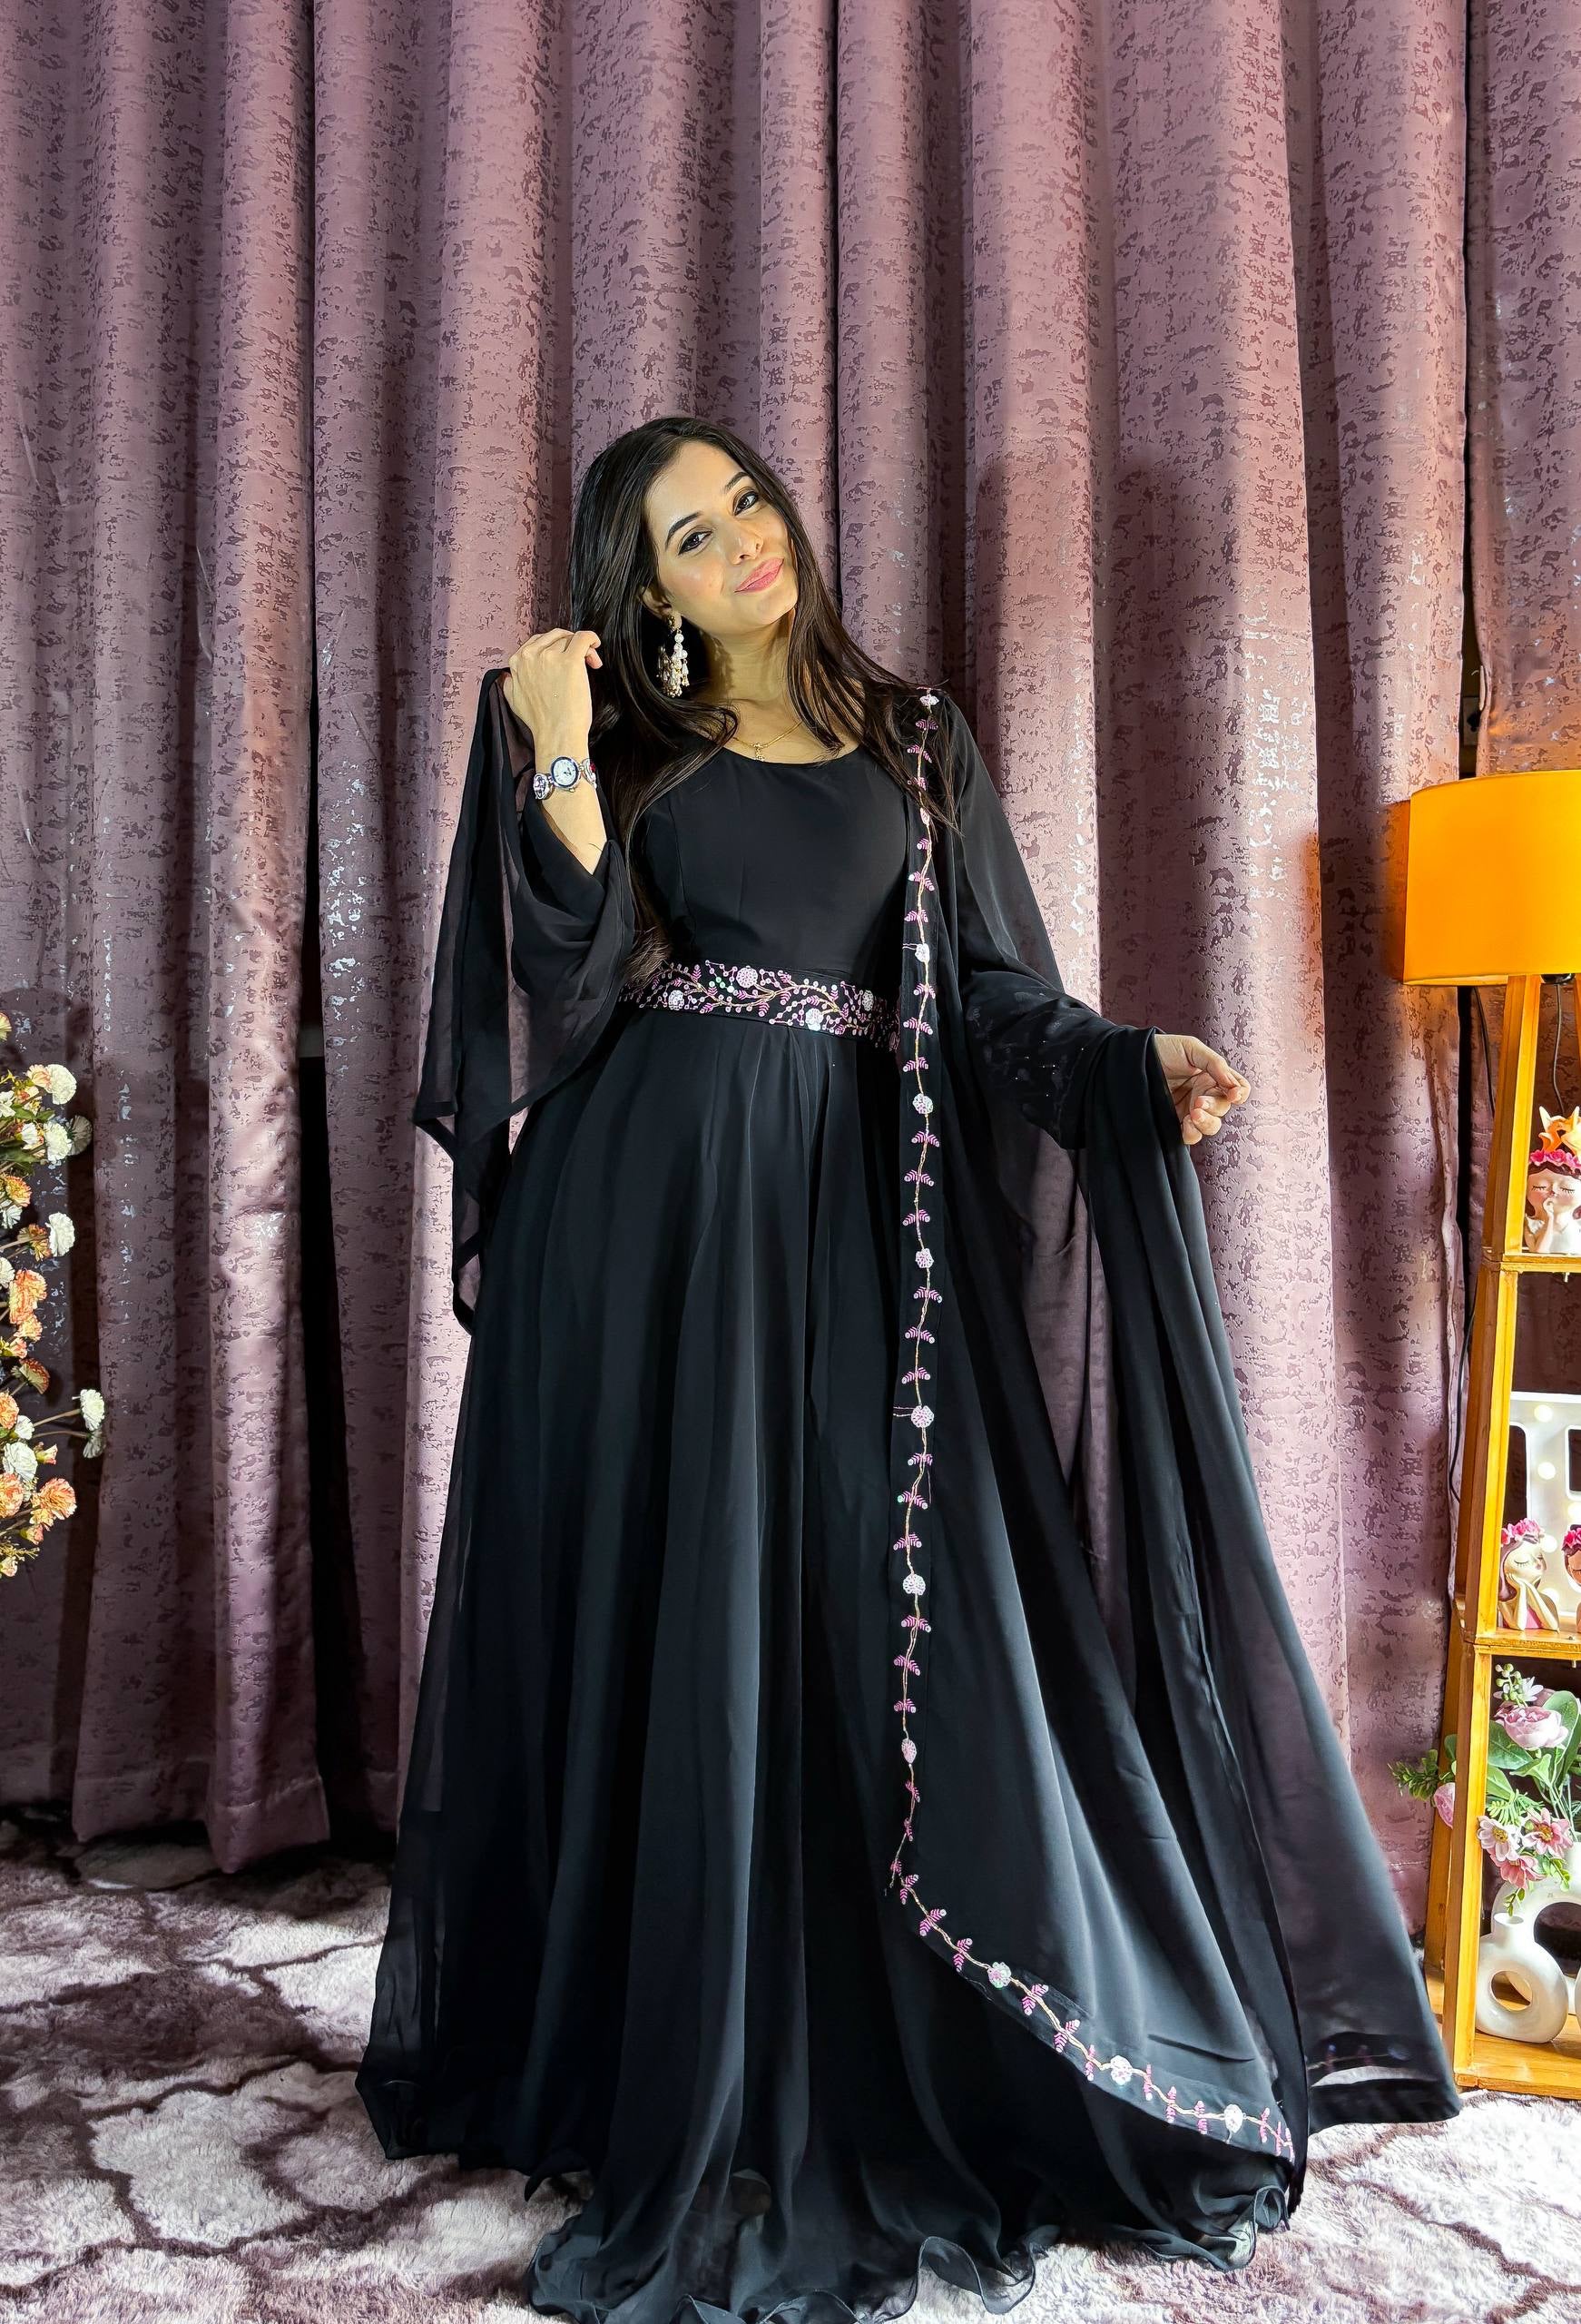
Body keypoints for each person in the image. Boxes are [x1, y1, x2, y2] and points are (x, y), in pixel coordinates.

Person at [355, 415, 1462, 2320]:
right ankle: (645, 2052)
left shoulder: (915, 742)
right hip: (633, 1230)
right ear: (644, 591)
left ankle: (891, 2038)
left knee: (866, 1605)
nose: (741, 541)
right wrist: (550, 746)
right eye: (687, 537)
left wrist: (1122, 1066)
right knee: (661, 1610)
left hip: (839, 1224)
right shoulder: (606, 732)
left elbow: (993, 999)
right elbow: (566, 973)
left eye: (744, 500)